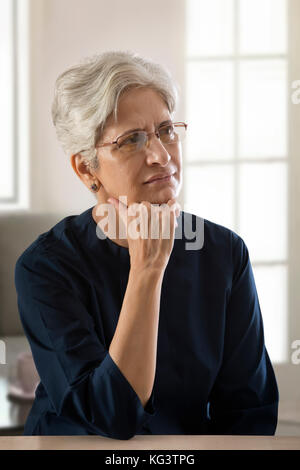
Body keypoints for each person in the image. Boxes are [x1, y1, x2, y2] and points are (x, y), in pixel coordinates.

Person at [14, 50, 279, 438]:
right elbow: (109, 417)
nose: (161, 155)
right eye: (132, 140)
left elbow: (249, 413)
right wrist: (147, 270)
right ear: (87, 169)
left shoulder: (226, 253)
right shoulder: (45, 267)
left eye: (167, 130)